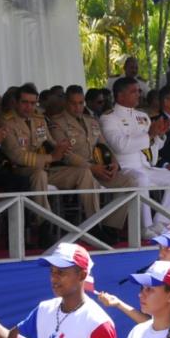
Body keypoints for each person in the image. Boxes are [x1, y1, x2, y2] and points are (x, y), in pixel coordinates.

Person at [0, 84, 102, 234]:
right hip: (20, 170)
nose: (29, 107)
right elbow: (17, 156)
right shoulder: (6, 122)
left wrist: (62, 148)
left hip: (47, 169)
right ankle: (45, 225)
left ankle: (95, 224)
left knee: (83, 172)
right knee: (39, 174)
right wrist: (51, 157)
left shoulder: (38, 119)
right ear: (16, 102)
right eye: (25, 102)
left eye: (33, 103)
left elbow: (52, 143)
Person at [101, 77, 170, 238]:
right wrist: (150, 135)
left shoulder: (143, 116)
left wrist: (159, 136)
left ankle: (160, 224)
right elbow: (120, 145)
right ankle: (144, 228)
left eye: (139, 91)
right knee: (141, 180)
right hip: (123, 169)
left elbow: (153, 147)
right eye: (133, 92)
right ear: (120, 96)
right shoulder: (109, 118)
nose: (138, 94)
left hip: (144, 166)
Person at [48, 85, 137, 233]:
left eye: (81, 103)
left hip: (96, 169)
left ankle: (111, 226)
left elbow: (104, 144)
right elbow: (66, 154)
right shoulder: (57, 122)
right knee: (86, 174)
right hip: (71, 169)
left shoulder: (91, 121)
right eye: (73, 103)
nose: (77, 107)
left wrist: (115, 163)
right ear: (66, 103)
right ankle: (94, 227)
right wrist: (91, 168)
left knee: (129, 182)